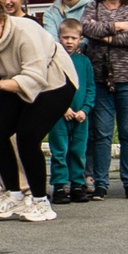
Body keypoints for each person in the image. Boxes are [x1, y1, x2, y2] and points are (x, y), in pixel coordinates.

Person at [0, 0, 78, 222]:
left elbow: (35, 78)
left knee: (27, 134)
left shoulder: (26, 31)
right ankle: (14, 194)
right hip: (14, 80)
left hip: (55, 80)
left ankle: (41, 201)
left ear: (1, 20)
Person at [78, 0, 128, 199]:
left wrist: (105, 38)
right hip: (100, 78)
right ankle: (101, 183)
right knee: (101, 133)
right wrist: (117, 27)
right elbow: (86, 28)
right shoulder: (92, 7)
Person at [45, 20, 96, 204]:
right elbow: (49, 86)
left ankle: (77, 185)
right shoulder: (54, 60)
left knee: (78, 151)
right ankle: (59, 186)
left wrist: (85, 110)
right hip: (59, 115)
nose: (69, 41)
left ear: (80, 39)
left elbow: (90, 88)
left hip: (80, 116)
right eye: (65, 37)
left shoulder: (84, 62)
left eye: (73, 38)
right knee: (60, 151)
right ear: (59, 37)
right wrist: (62, 108)